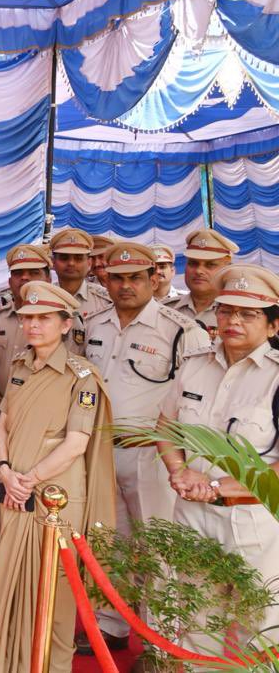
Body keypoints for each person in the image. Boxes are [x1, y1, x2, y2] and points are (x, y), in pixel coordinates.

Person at [0, 281, 116, 673]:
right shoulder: (20, 365)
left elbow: (76, 443)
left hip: (56, 494)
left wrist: (28, 478)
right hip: (16, 489)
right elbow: (3, 424)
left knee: (55, 589)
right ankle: (11, 660)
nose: (33, 325)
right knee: (14, 576)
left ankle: (52, 665)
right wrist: (6, 470)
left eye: (43, 318)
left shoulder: (82, 375)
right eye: (27, 317)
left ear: (64, 322)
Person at [82, 242, 210, 652]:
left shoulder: (180, 330)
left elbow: (195, 397)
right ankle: (112, 623)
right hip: (101, 450)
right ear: (105, 279)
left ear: (153, 278)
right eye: (116, 277)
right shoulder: (95, 323)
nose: (124, 286)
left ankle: (161, 642)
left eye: (135, 277)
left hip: (152, 455)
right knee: (111, 542)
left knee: (157, 548)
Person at [157, 264, 279, 659]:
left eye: (248, 314)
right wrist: (178, 471)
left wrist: (216, 488)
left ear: (273, 326)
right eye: (226, 311)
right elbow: (165, 426)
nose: (233, 321)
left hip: (255, 524)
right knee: (196, 624)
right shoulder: (195, 364)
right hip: (194, 517)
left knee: (260, 633)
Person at [0, 244, 55, 577]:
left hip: (45, 429)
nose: (24, 280)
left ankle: (37, 563)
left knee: (35, 493)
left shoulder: (67, 319)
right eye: (18, 274)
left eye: (33, 273)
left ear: (47, 277)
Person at [164, 229, 239, 339]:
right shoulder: (165, 309)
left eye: (210, 265)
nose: (199, 271)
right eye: (193, 263)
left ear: (227, 270)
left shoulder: (240, 314)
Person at [49, 229, 112, 353]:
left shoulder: (107, 300)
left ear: (89, 263)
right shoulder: (45, 298)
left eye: (78, 258)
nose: (71, 263)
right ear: (53, 262)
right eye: (64, 258)